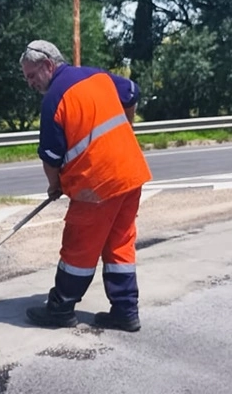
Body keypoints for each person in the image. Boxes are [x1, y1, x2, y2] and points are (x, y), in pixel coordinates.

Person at [19, 39, 152, 332]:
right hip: (130, 173)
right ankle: (125, 310)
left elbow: (51, 158)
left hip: (98, 184)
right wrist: (126, 130)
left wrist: (54, 186)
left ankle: (61, 307)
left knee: (79, 247)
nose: (30, 83)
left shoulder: (54, 98)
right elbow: (132, 92)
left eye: (32, 75)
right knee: (119, 244)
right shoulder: (97, 76)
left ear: (48, 65)